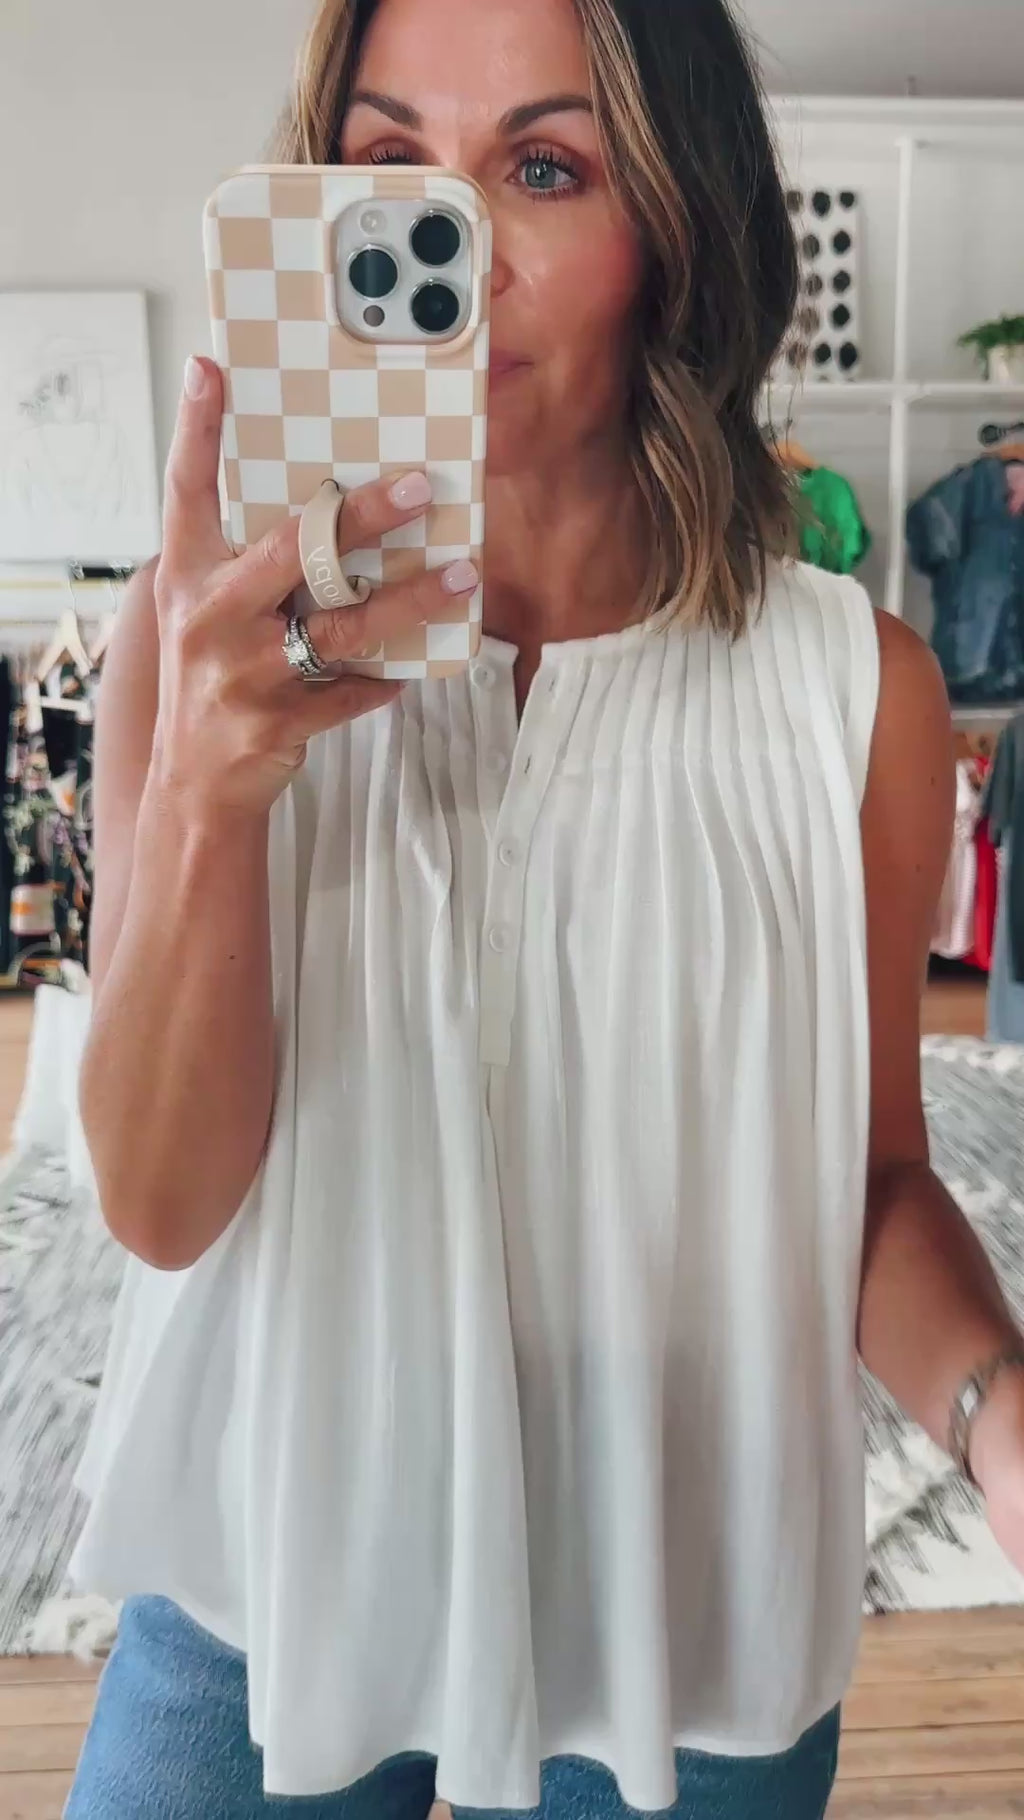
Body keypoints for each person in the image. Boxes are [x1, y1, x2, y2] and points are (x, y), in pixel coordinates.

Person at [65, 0, 1024, 1816]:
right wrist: (207, 785)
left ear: (678, 228)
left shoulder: (854, 695)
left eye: (544, 167)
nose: (450, 249)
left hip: (679, 1594)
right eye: (389, 162)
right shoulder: (195, 646)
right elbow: (161, 1204)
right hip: (274, 1560)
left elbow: (870, 1180)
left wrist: (996, 1414)